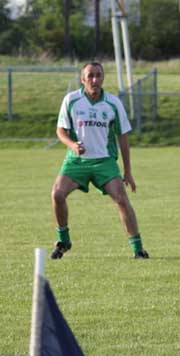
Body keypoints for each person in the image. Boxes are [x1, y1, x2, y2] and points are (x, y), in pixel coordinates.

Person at [50, 62, 149, 259]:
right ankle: (64, 241)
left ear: (103, 78)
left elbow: (123, 136)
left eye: (98, 75)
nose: (94, 80)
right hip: (77, 161)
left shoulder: (113, 103)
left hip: (104, 162)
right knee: (57, 194)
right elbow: (60, 130)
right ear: (83, 79)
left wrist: (127, 171)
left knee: (121, 199)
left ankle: (138, 250)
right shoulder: (71, 100)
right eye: (90, 76)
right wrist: (72, 145)